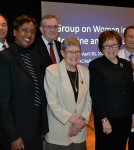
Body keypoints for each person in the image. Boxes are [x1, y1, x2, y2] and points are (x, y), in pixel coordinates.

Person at [0, 15, 48, 150]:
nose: (29, 35)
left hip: (36, 130)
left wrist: (43, 127)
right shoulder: (4, 58)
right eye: (25, 30)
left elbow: (40, 94)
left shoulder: (36, 58)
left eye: (32, 32)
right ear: (15, 32)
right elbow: (3, 103)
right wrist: (13, 136)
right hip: (17, 133)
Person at [88, 30, 134, 150]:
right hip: (108, 118)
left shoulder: (126, 64)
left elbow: (131, 91)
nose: (111, 49)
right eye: (107, 45)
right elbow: (97, 95)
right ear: (101, 48)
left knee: (120, 146)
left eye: (114, 45)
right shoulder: (96, 65)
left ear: (119, 45)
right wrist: (103, 119)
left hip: (125, 117)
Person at [44, 37, 92, 150]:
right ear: (62, 53)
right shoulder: (52, 71)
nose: (75, 55)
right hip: (59, 131)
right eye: (70, 52)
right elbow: (52, 103)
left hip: (79, 131)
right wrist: (75, 121)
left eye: (77, 52)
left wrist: (82, 120)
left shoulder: (85, 71)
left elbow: (88, 100)